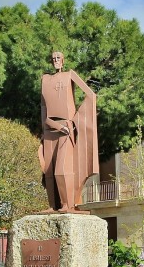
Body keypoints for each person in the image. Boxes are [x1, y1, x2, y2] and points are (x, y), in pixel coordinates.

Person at [39, 51, 99, 212]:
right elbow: (43, 106)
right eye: (53, 58)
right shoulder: (45, 79)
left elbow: (91, 95)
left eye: (58, 58)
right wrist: (44, 127)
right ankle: (53, 206)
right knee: (49, 171)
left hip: (66, 128)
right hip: (49, 129)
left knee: (61, 170)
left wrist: (77, 119)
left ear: (63, 60)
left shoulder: (69, 75)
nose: (55, 61)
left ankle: (67, 204)